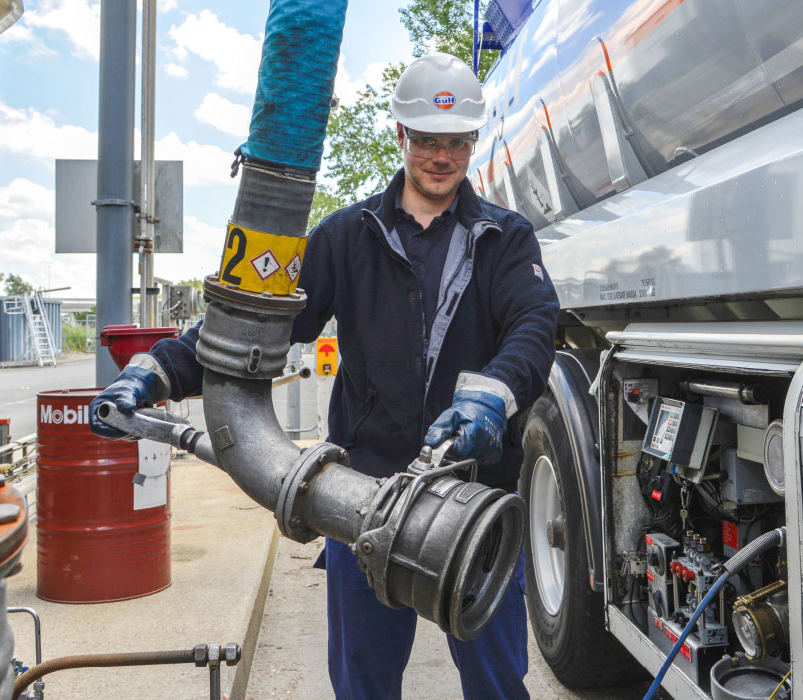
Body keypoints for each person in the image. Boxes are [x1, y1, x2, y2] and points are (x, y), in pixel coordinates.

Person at [89, 52, 559, 699]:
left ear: (472, 140)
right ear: (401, 134)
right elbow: (257, 328)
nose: (441, 157)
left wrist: (491, 400)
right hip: (363, 501)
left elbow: (533, 326)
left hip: (475, 497)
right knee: (363, 682)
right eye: (427, 140)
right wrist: (155, 371)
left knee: (498, 683)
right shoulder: (345, 236)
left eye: (456, 142)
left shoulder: (504, 237)